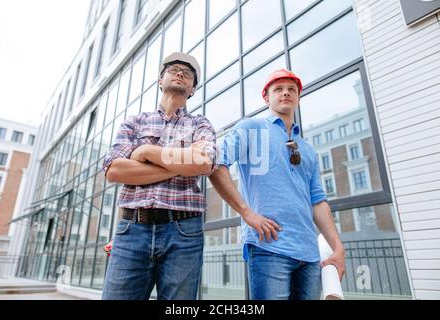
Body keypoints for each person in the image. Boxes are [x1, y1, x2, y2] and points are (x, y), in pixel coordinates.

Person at [208, 69, 345, 300]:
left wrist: (337, 247)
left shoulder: (308, 149)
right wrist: (247, 213)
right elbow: (215, 163)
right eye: (278, 89)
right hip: (269, 248)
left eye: (292, 89)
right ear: (266, 97)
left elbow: (318, 201)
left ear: (298, 98)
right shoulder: (251, 128)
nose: (286, 93)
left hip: (310, 256)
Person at [101, 52, 216, 300]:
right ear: (160, 81)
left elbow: (204, 162)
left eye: (188, 74)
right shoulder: (135, 122)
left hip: (184, 231)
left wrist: (146, 151)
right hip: (133, 229)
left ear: (193, 90)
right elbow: (114, 170)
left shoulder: (200, 124)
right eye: (174, 69)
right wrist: (183, 161)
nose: (181, 73)